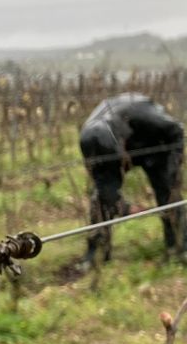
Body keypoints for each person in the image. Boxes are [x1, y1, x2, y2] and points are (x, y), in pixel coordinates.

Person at [79, 92, 184, 265]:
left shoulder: (146, 115)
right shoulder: (90, 138)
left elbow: (176, 130)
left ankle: (178, 245)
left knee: (168, 191)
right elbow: (105, 187)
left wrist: (173, 167)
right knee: (100, 199)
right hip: (115, 150)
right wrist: (125, 208)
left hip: (153, 144)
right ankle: (97, 253)